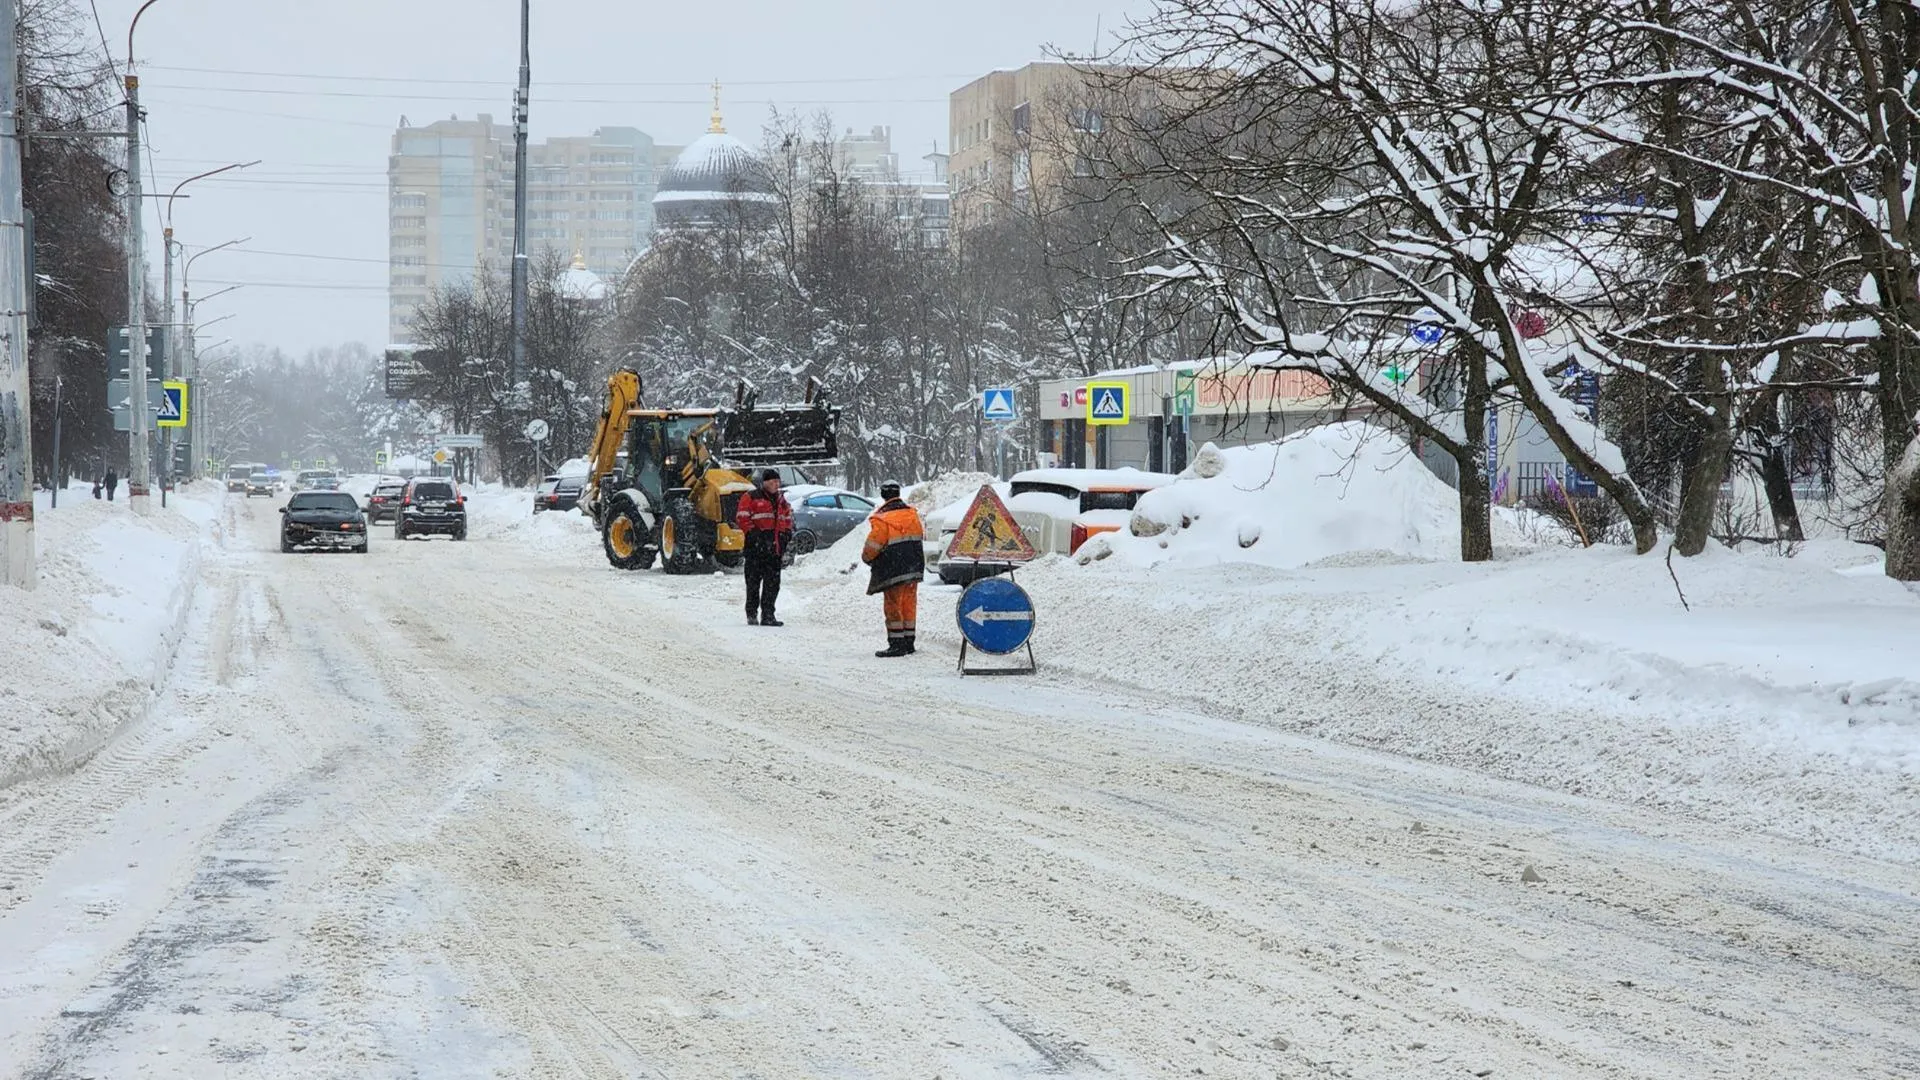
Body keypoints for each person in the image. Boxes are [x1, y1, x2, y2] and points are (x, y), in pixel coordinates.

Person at [862, 480, 925, 657]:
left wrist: (867, 558)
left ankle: (897, 644)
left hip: (893, 569)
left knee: (893, 605)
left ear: (883, 495)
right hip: (913, 567)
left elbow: (873, 545)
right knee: (909, 604)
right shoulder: (912, 515)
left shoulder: (883, 519)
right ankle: (909, 642)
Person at [735, 468, 793, 626]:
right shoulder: (751, 497)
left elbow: (787, 518)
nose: (777, 484)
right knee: (753, 583)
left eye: (778, 482)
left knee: (772, 584)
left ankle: (768, 615)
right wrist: (754, 535)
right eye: (773, 482)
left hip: (774, 549)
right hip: (755, 550)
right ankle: (751, 613)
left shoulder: (782, 501)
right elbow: (742, 517)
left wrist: (786, 534)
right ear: (765, 482)